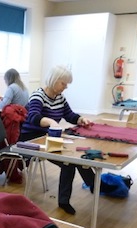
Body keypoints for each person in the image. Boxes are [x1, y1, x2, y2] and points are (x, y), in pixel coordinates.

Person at [19, 65, 104, 215]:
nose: (65, 87)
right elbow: (33, 117)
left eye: (66, 84)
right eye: (63, 83)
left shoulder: (59, 97)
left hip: (49, 136)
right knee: (68, 163)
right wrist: (51, 122)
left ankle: (94, 186)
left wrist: (81, 119)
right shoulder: (38, 96)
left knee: (76, 157)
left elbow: (69, 115)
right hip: (32, 139)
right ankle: (70, 198)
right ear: (53, 80)